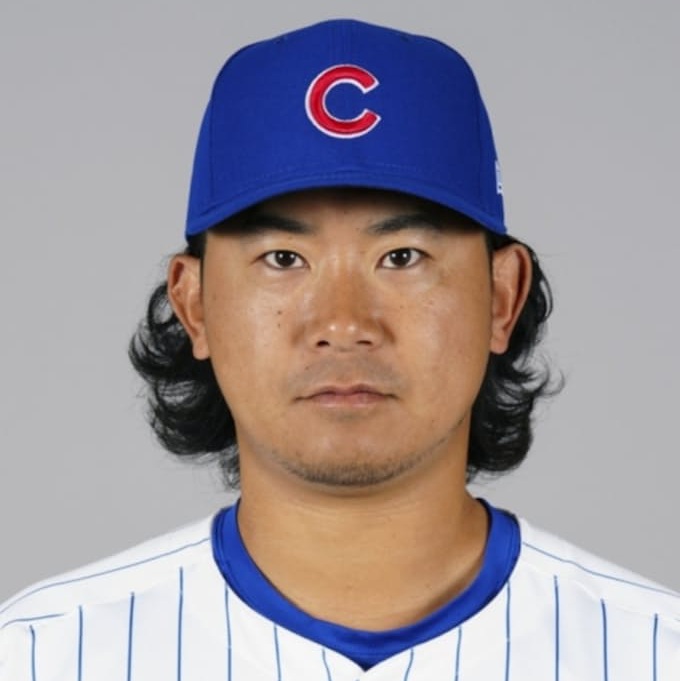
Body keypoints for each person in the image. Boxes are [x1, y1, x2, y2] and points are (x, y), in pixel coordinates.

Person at [1, 18, 678, 680]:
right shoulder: (39, 657)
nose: (344, 323)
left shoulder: (654, 652)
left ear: (502, 297)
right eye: (283, 257)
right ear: (194, 303)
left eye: (402, 256)